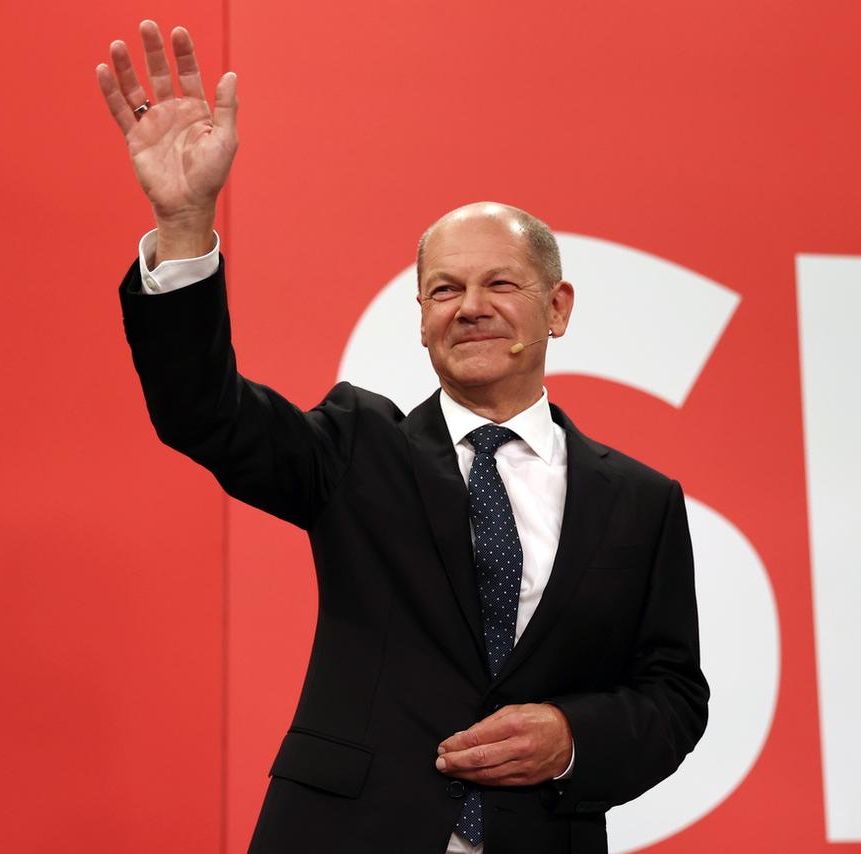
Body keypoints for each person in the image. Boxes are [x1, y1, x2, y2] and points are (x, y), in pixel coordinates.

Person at [97, 21, 708, 854]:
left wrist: (573, 737)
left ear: (558, 308)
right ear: (421, 319)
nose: (471, 307)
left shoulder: (640, 501)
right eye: (444, 289)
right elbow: (204, 410)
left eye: (501, 283)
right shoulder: (357, 448)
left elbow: (672, 695)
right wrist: (184, 225)